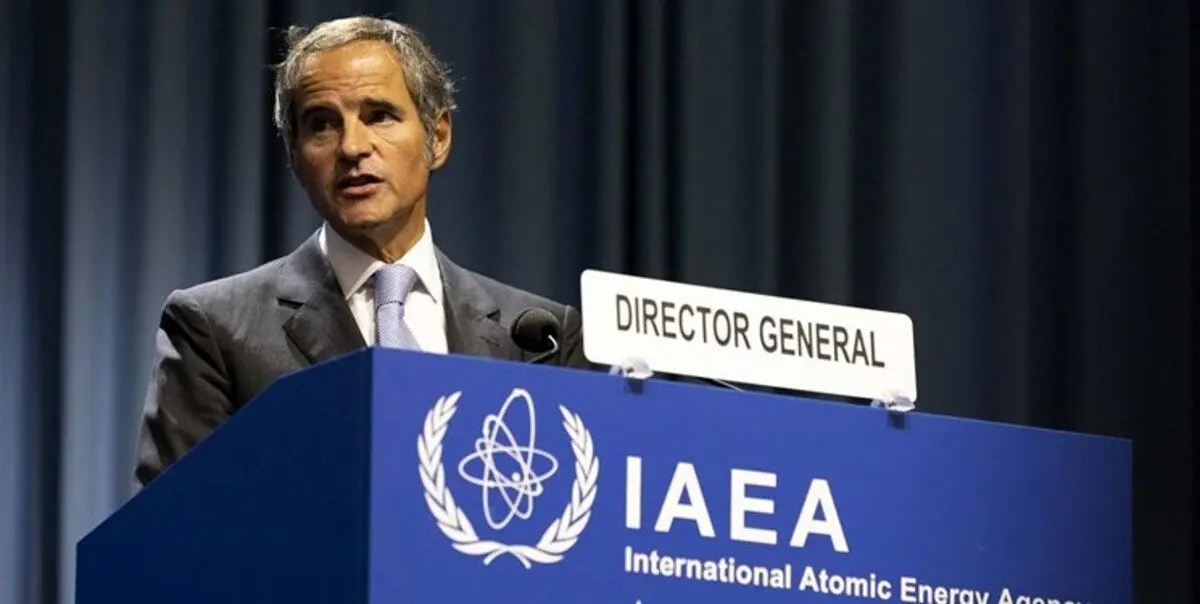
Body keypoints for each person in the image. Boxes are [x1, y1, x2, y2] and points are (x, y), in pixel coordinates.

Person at [133, 16, 590, 489]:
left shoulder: (542, 341)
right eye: (322, 125)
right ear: (293, 155)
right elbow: (174, 523)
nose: (352, 147)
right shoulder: (216, 329)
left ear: (438, 138)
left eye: (379, 116)